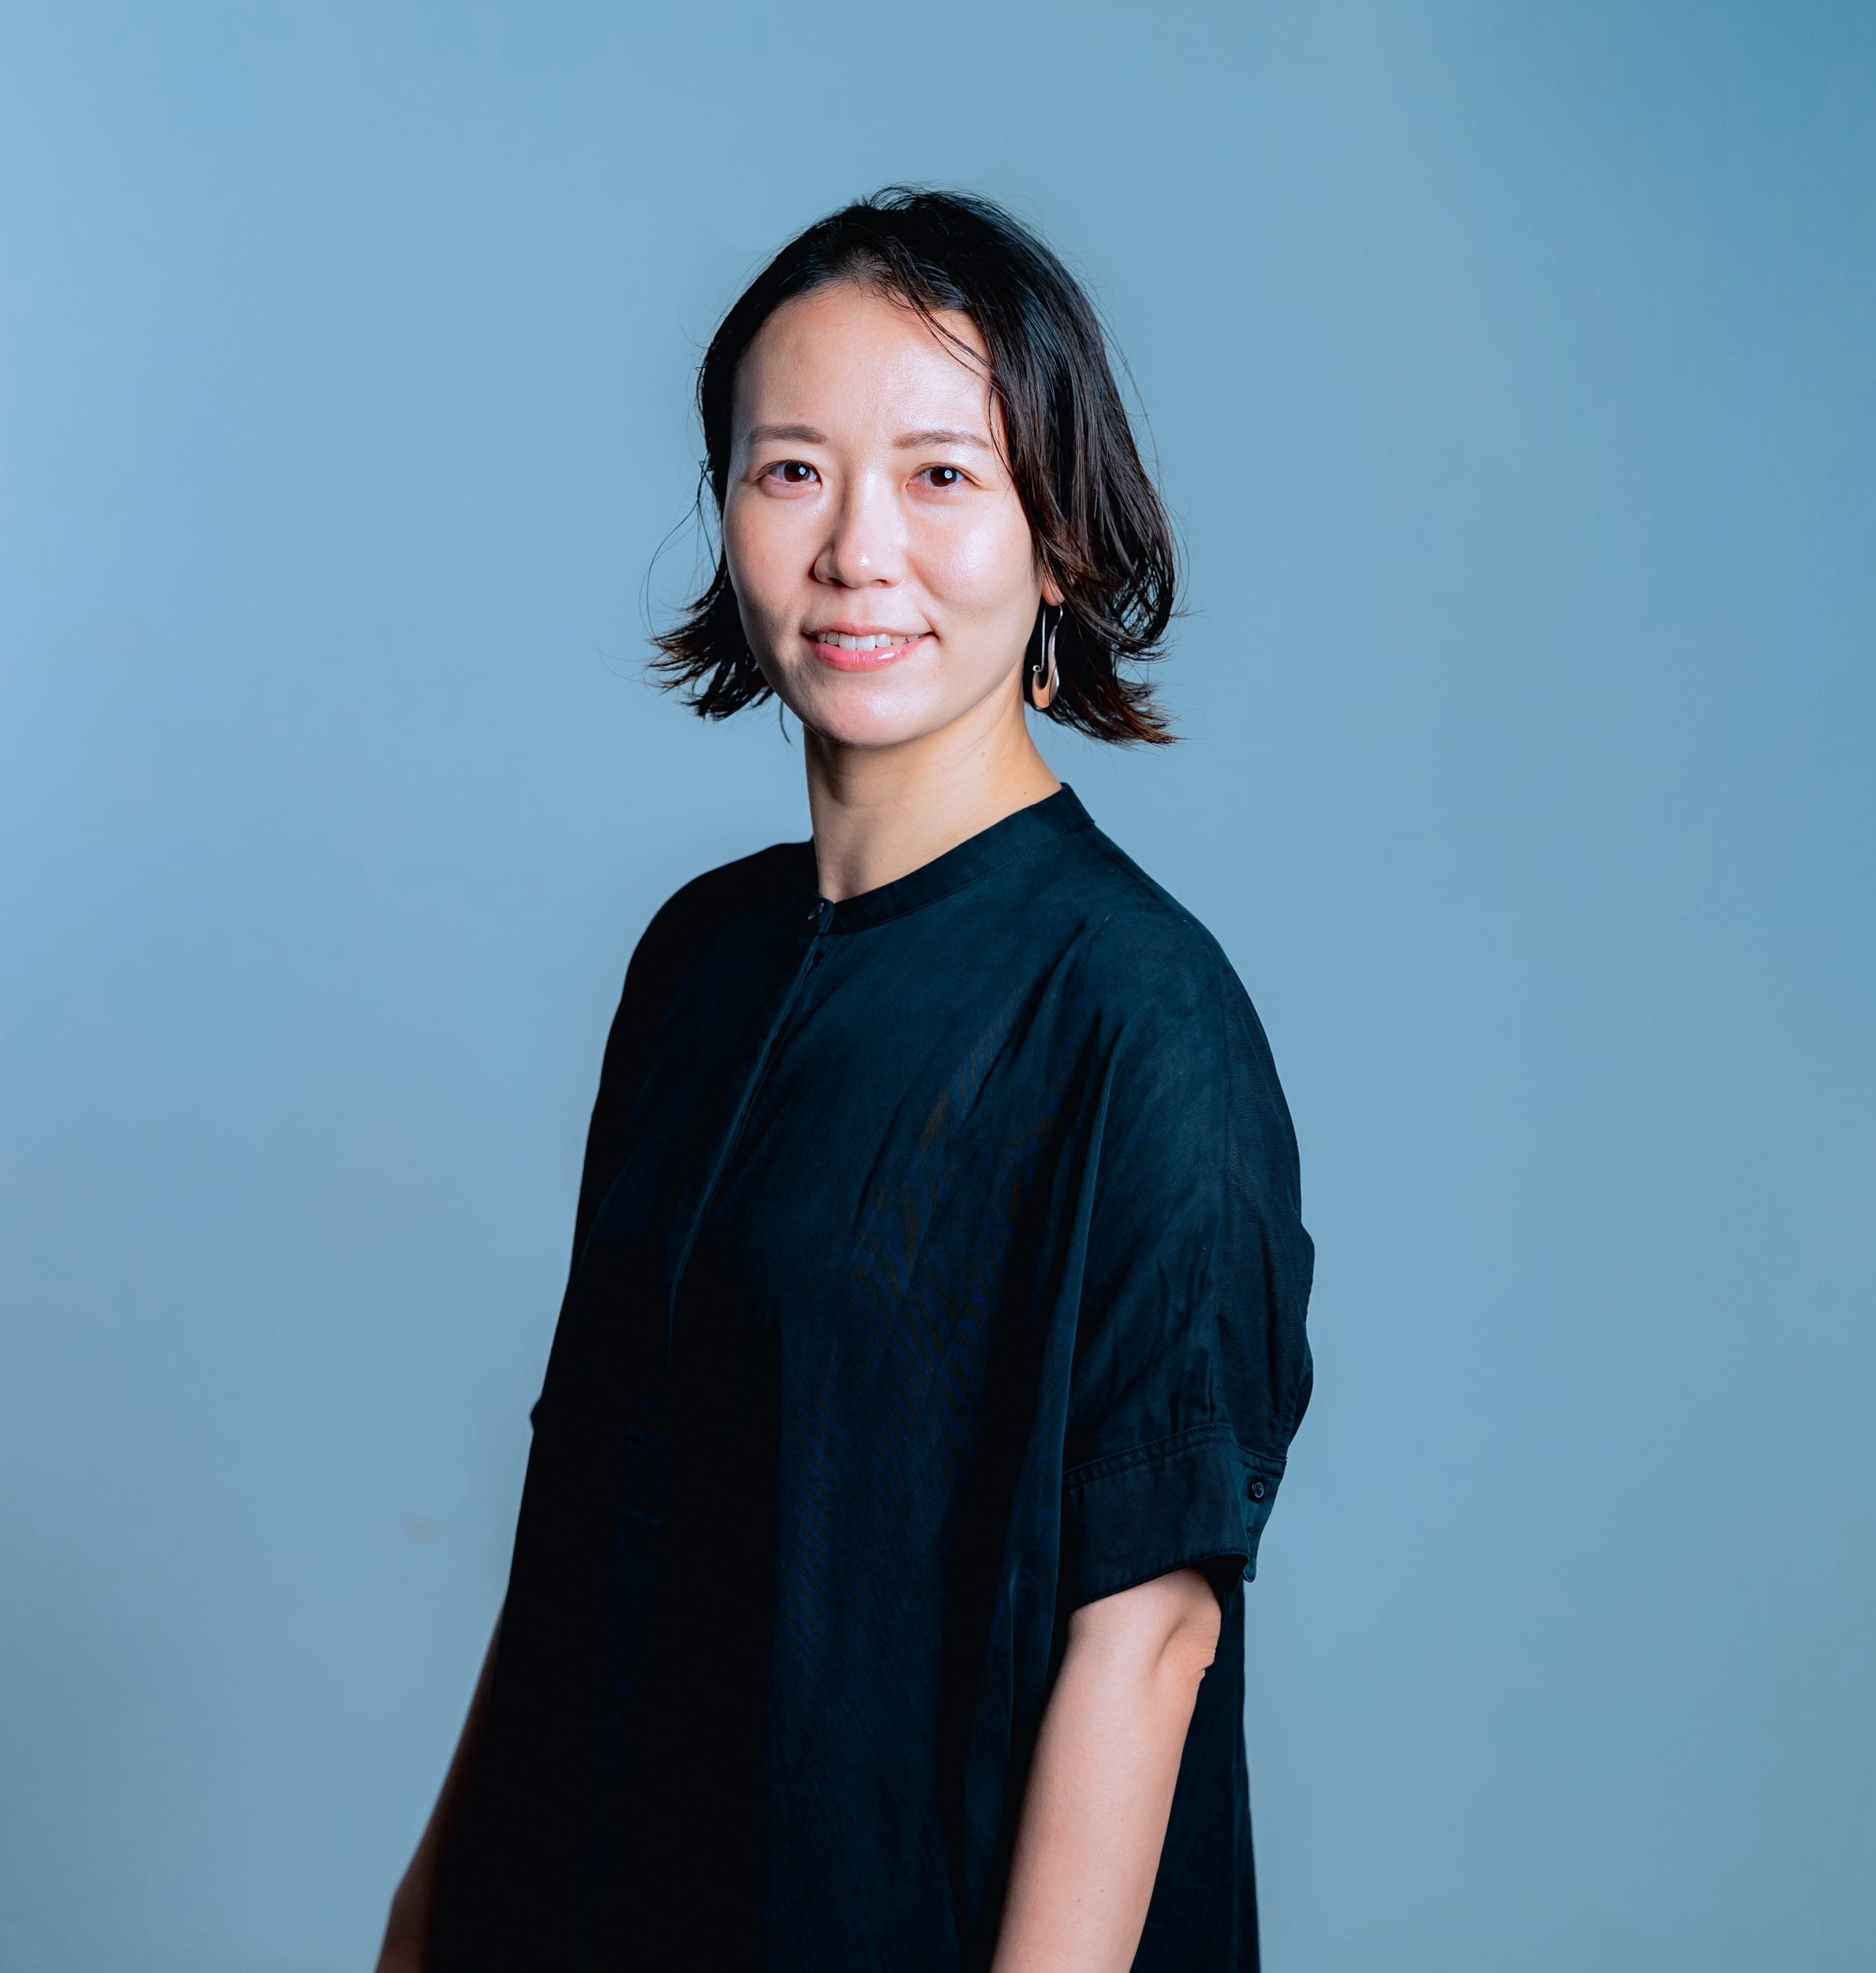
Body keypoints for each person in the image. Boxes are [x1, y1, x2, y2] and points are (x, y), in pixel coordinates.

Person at [378, 188, 1313, 1973]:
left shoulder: (1139, 1016)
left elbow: (1149, 1634)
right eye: (792, 470)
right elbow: (586, 1494)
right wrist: (433, 1902)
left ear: (1060, 538)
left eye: (943, 475)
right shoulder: (693, 959)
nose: (857, 548)